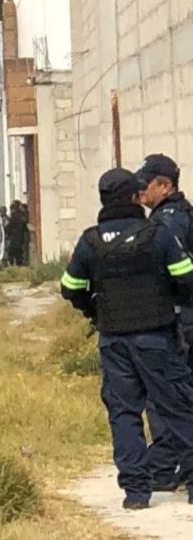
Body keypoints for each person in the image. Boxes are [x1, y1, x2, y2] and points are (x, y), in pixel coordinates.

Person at [61, 167, 193, 509]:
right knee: (178, 406)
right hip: (157, 338)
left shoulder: (89, 242)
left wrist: (93, 309)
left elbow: (70, 287)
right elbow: (187, 279)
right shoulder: (158, 234)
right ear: (135, 197)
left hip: (114, 341)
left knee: (123, 413)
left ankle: (136, 493)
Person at [137, 154, 192, 491]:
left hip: (178, 321)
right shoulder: (178, 214)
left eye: (147, 182)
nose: (141, 189)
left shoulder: (167, 222)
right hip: (184, 318)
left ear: (165, 185)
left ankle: (167, 469)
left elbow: (168, 273)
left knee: (166, 397)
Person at [5, 201, 28, 266]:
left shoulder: (14, 216)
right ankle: (19, 262)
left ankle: (13, 262)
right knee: (19, 250)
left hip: (15, 235)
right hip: (21, 235)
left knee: (12, 250)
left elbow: (10, 226)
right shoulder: (22, 215)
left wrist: (5, 231)